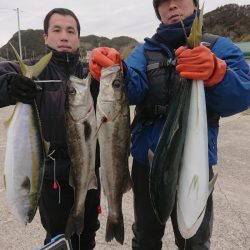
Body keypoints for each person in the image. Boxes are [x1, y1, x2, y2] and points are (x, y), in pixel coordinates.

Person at [89, 0, 250, 249]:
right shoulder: (144, 51)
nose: (172, 5)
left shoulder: (220, 47)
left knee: (194, 239)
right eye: (164, 2)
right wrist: (116, 71)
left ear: (196, 4)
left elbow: (242, 95)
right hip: (147, 162)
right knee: (145, 236)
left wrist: (218, 73)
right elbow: (133, 87)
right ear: (158, 11)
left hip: (194, 160)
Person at [0, 8, 100, 250]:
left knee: (87, 234)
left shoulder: (91, 72)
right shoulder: (31, 70)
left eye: (70, 31)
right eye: (57, 30)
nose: (64, 36)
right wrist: (10, 85)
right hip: (52, 171)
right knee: (58, 236)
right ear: (45, 37)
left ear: (78, 37)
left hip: (87, 168)